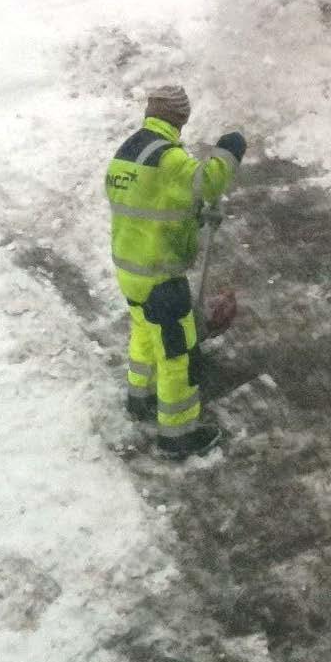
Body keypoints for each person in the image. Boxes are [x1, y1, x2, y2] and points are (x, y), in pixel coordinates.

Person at [105, 85, 246, 460]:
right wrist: (230, 150)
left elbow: (151, 206)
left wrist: (196, 215)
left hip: (130, 269)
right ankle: (178, 435)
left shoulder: (128, 152)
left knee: (145, 335)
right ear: (180, 117)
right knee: (178, 353)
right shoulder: (167, 157)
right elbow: (208, 181)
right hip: (159, 276)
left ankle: (140, 399)